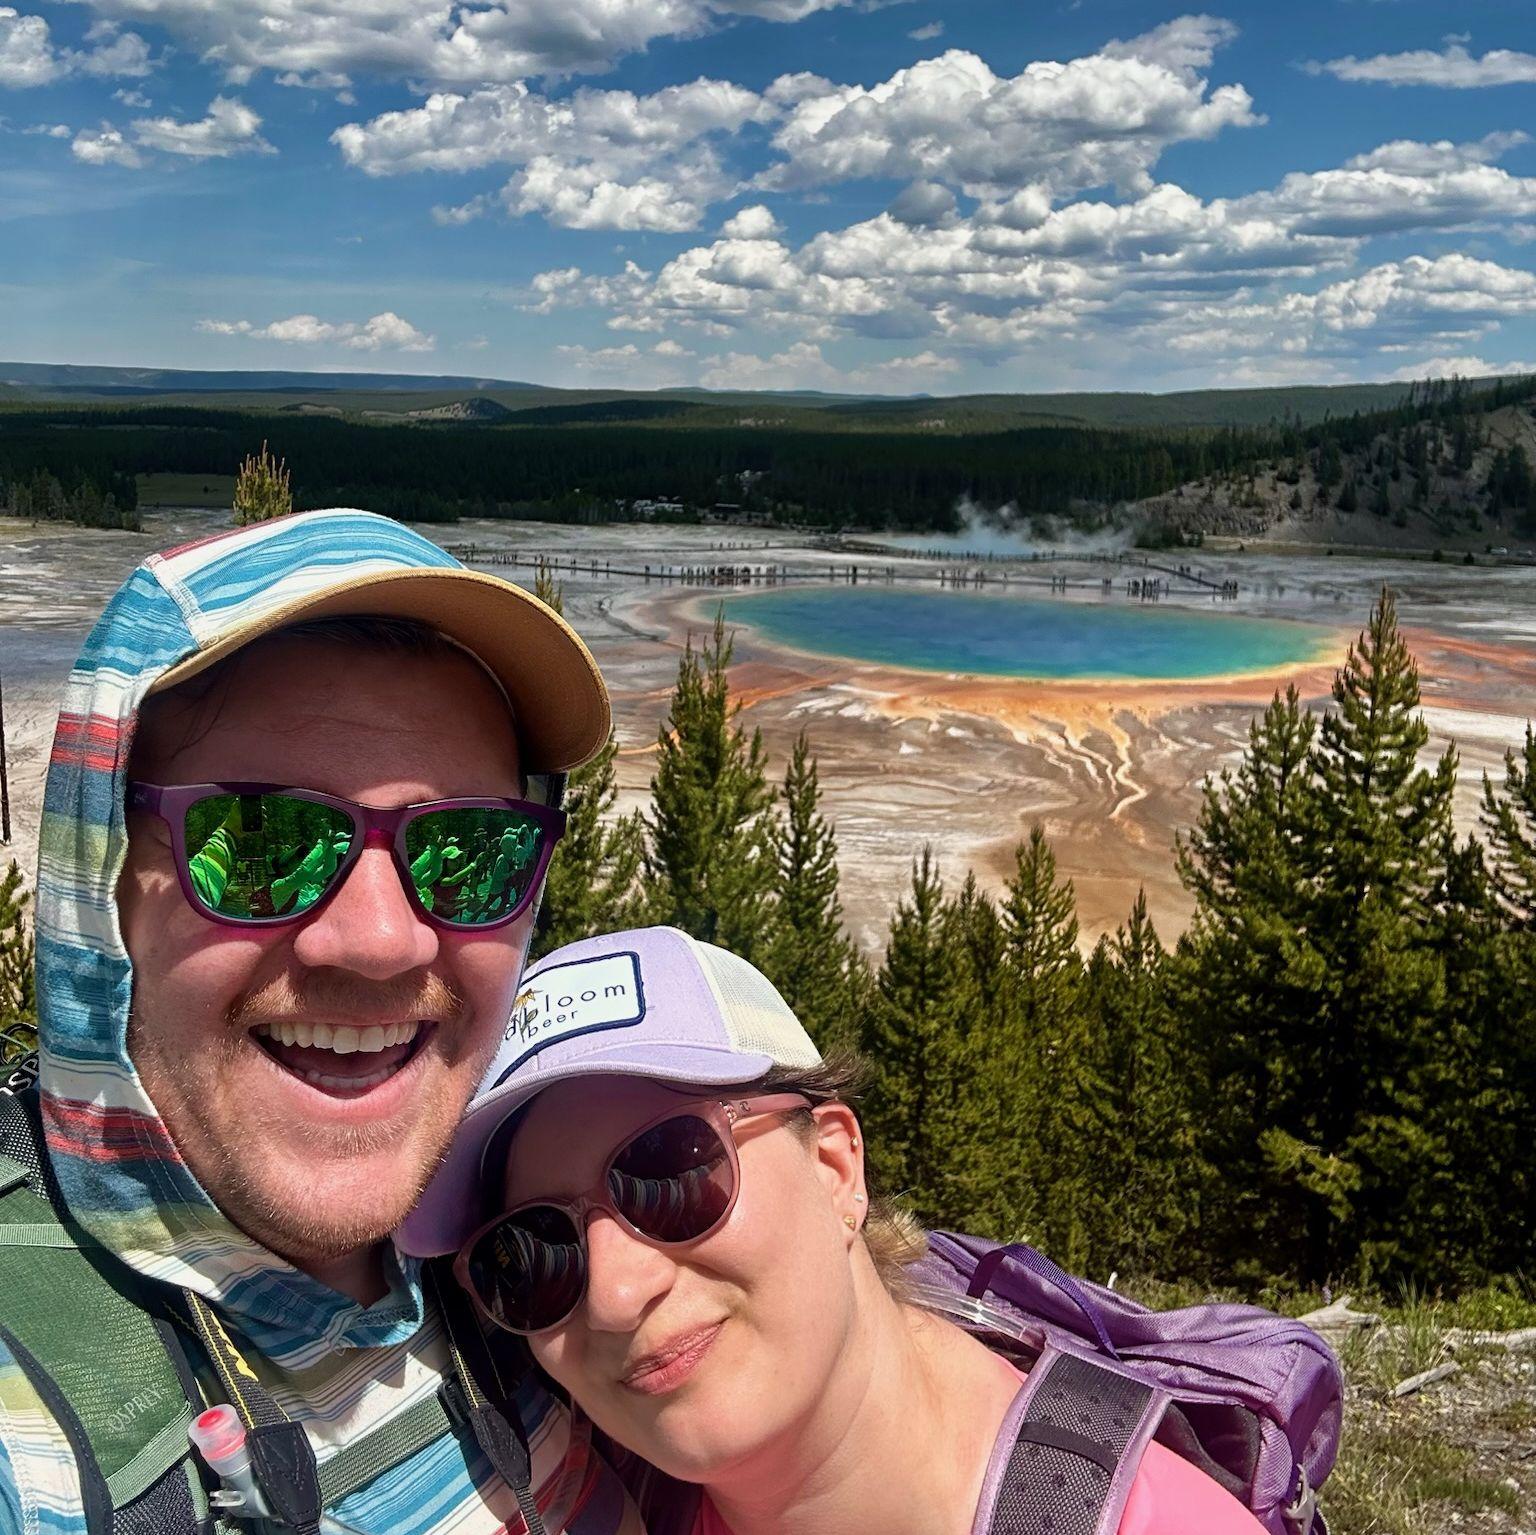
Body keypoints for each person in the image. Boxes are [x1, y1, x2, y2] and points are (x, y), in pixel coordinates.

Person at [0, 509, 645, 1535]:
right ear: (103, 886)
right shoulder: (31, 1427)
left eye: (466, 852)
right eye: (259, 842)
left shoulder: (546, 1257)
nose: (382, 939)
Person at [399, 926, 1271, 1535]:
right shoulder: (608, 1486)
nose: (618, 1294)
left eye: (669, 1175)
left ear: (835, 1168)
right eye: (532, 1255)